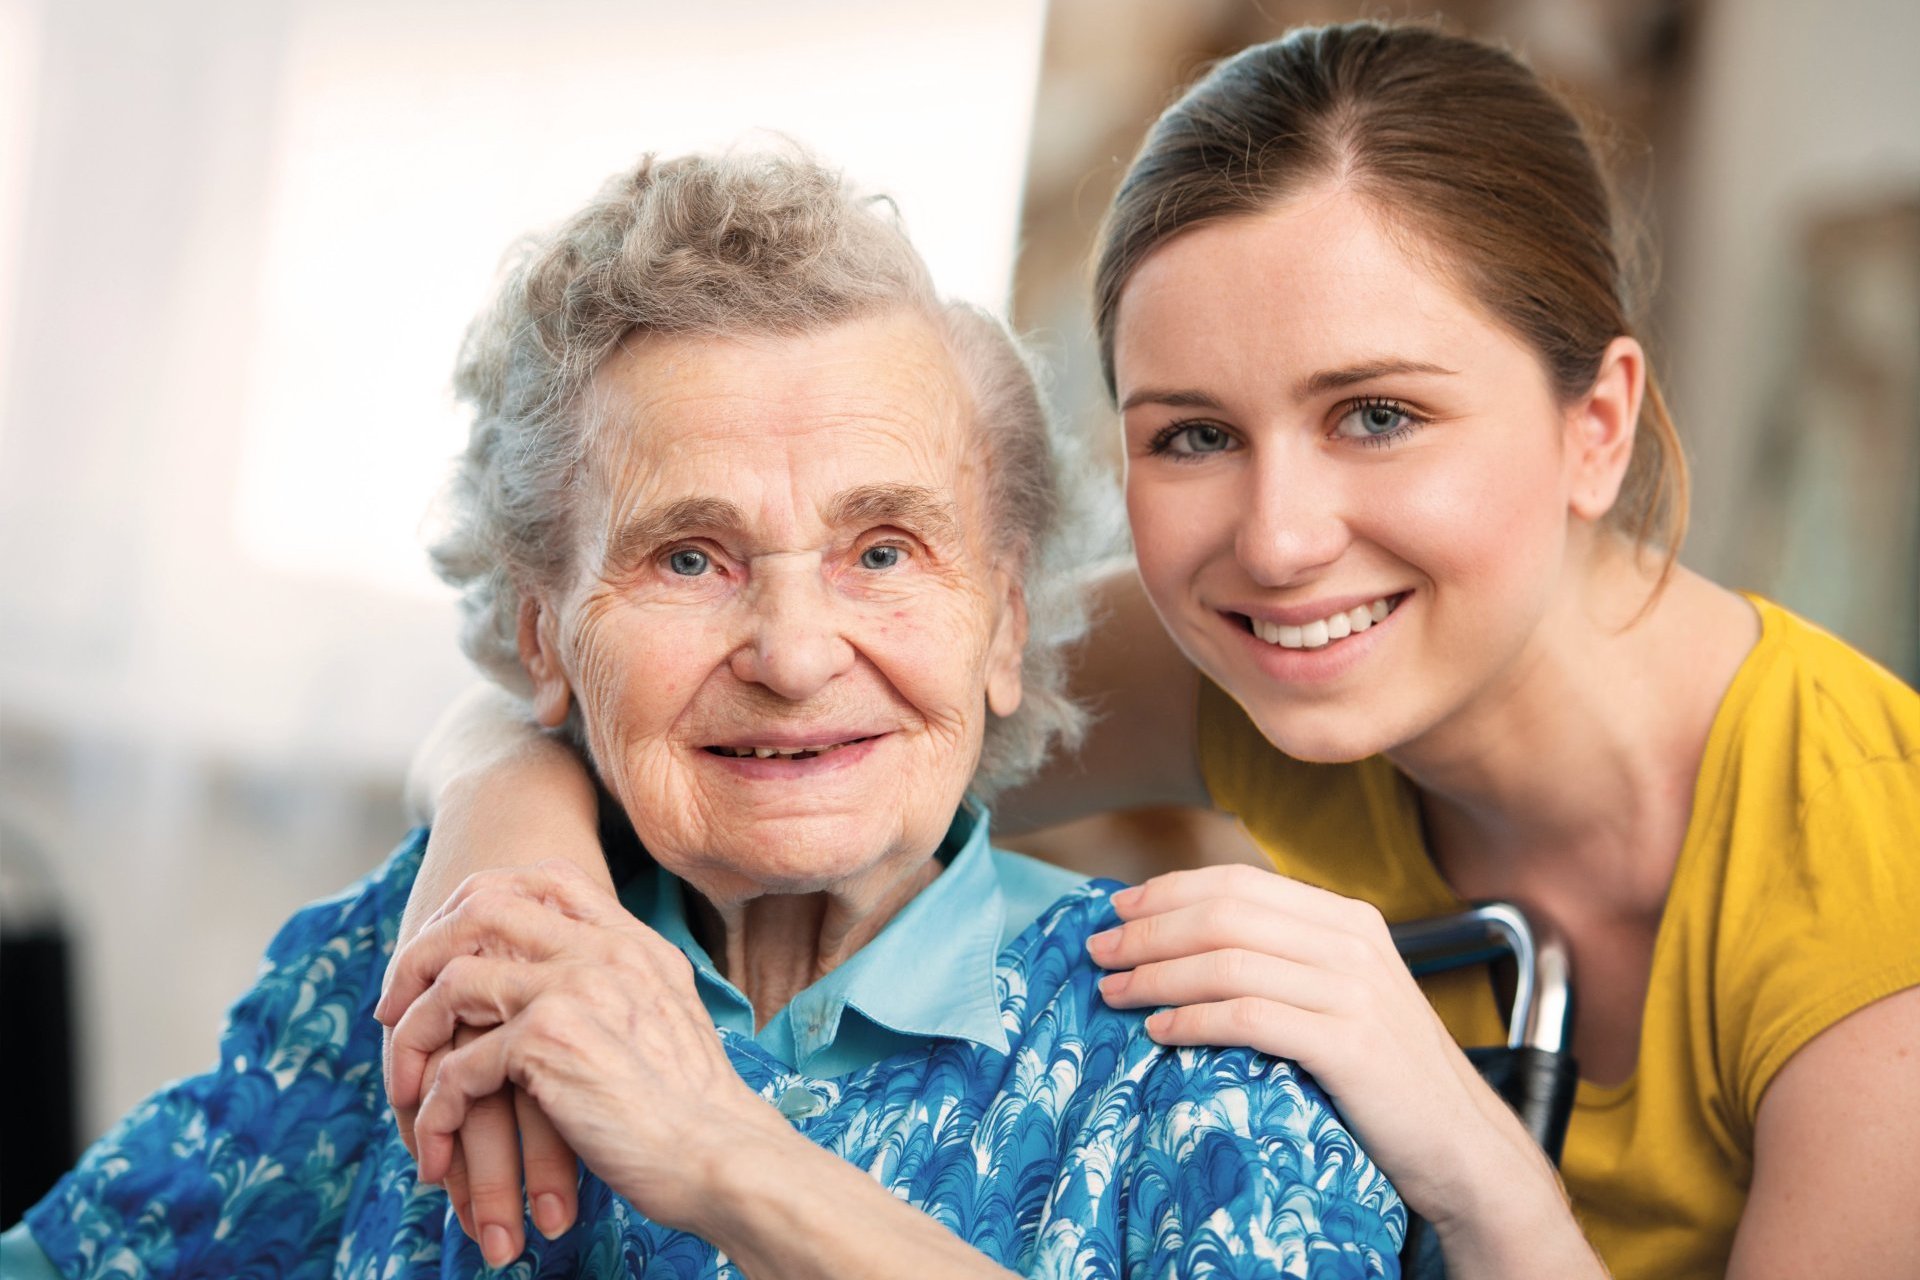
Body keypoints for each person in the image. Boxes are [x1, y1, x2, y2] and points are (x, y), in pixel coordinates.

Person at [380, 21, 1920, 1280]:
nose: (1279, 536)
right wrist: (515, 883)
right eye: (1192, 435)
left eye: (1376, 414)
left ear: (1597, 426)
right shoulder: (1242, 654)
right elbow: (655, 690)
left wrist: (1469, 1160)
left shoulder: (1874, 876)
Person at [2, 150, 1407, 1279]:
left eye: (883, 551)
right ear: (544, 636)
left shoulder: (1201, 1054)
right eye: (689, 557)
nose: (795, 656)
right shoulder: (433, 955)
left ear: (1008, 623)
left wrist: (727, 1158)